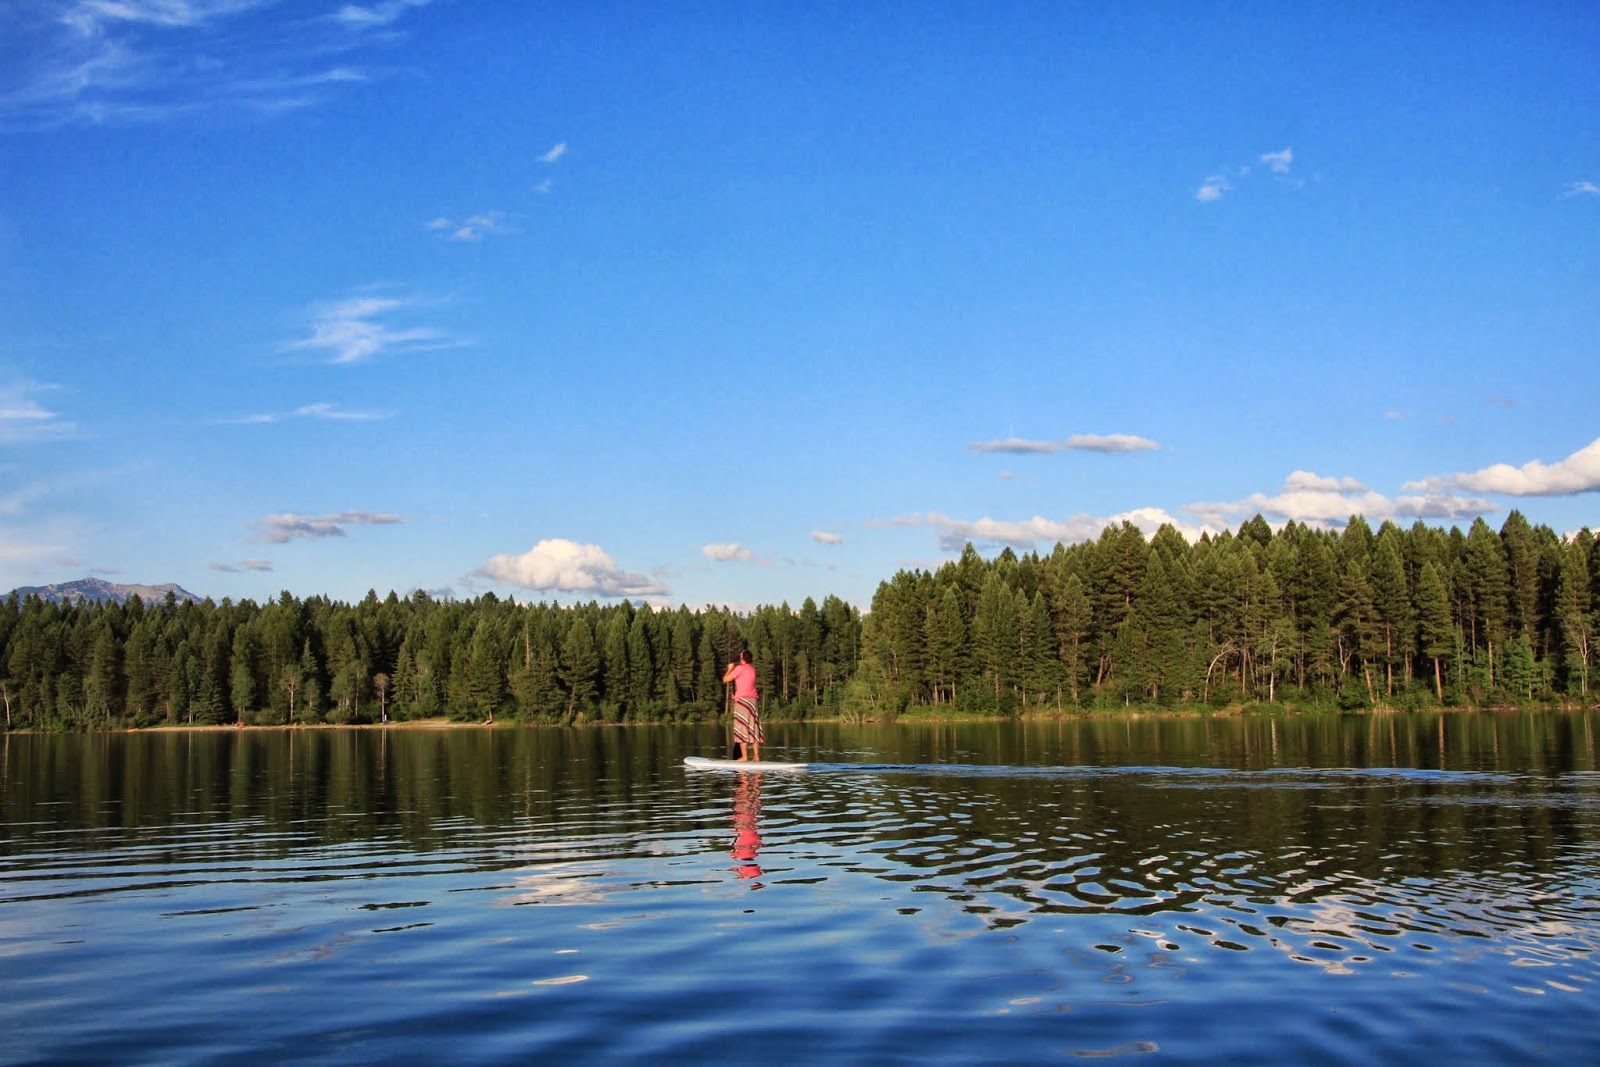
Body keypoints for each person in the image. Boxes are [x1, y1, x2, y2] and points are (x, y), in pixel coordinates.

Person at [722, 649, 762, 762]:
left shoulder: (739, 669)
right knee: (753, 728)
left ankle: (744, 757)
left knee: (742, 728)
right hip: (753, 701)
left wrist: (729, 669)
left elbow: (725, 679)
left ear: (742, 658)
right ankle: (756, 756)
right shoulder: (753, 670)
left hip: (742, 701)